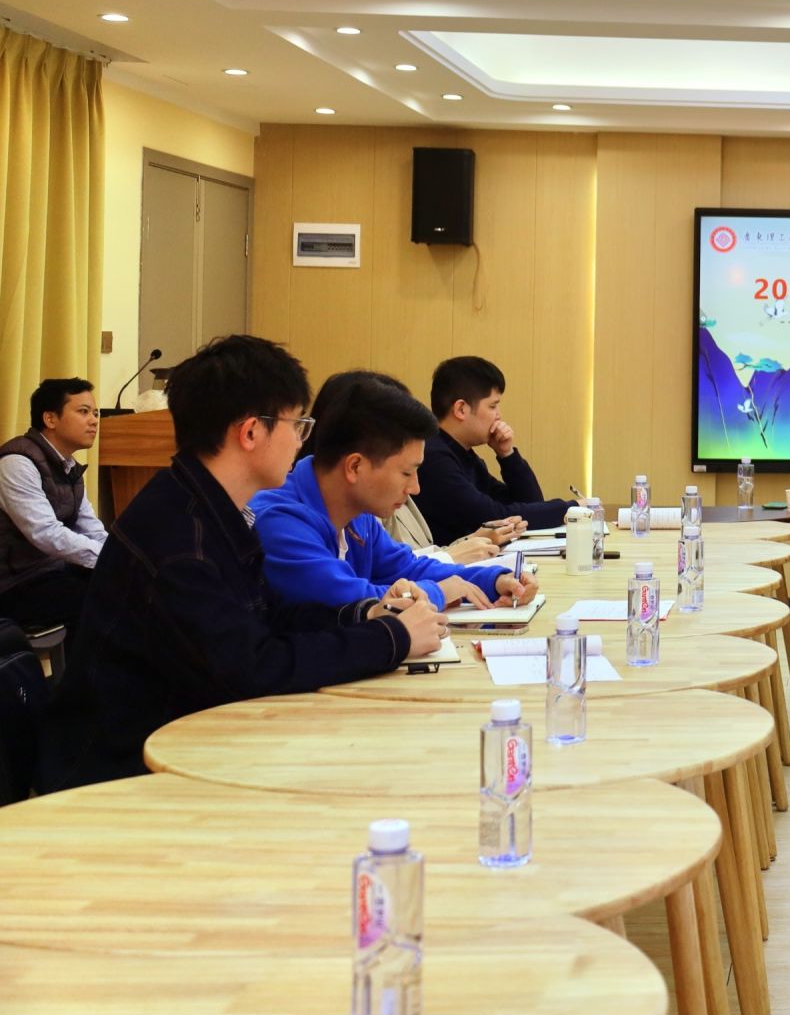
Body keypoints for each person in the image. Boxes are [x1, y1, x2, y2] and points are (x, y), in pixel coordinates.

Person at [42, 336, 440, 788]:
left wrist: (365, 615)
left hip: (189, 740)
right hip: (127, 773)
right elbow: (254, 671)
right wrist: (391, 638)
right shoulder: (181, 540)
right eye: (297, 425)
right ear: (251, 432)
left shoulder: (208, 507)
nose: (302, 442)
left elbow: (266, 619)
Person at [250, 374, 538, 616]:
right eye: (406, 473)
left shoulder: (358, 514)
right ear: (355, 466)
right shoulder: (280, 521)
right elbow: (353, 599)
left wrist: (495, 579)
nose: (415, 488)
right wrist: (438, 592)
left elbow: (407, 568)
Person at [415, 355, 573, 542]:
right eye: (492, 406)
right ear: (461, 409)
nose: (499, 415)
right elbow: (492, 516)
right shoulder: (433, 456)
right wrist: (570, 509)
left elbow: (531, 502)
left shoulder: (464, 454)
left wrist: (507, 455)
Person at [0, 377, 105, 641]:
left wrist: (122, 556)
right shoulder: (17, 463)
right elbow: (45, 533)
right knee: (99, 599)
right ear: (50, 419)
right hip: (13, 584)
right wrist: (111, 559)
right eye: (83, 412)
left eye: (95, 413)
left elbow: (91, 528)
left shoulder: (69, 467)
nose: (94, 421)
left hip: (50, 572)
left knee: (126, 586)